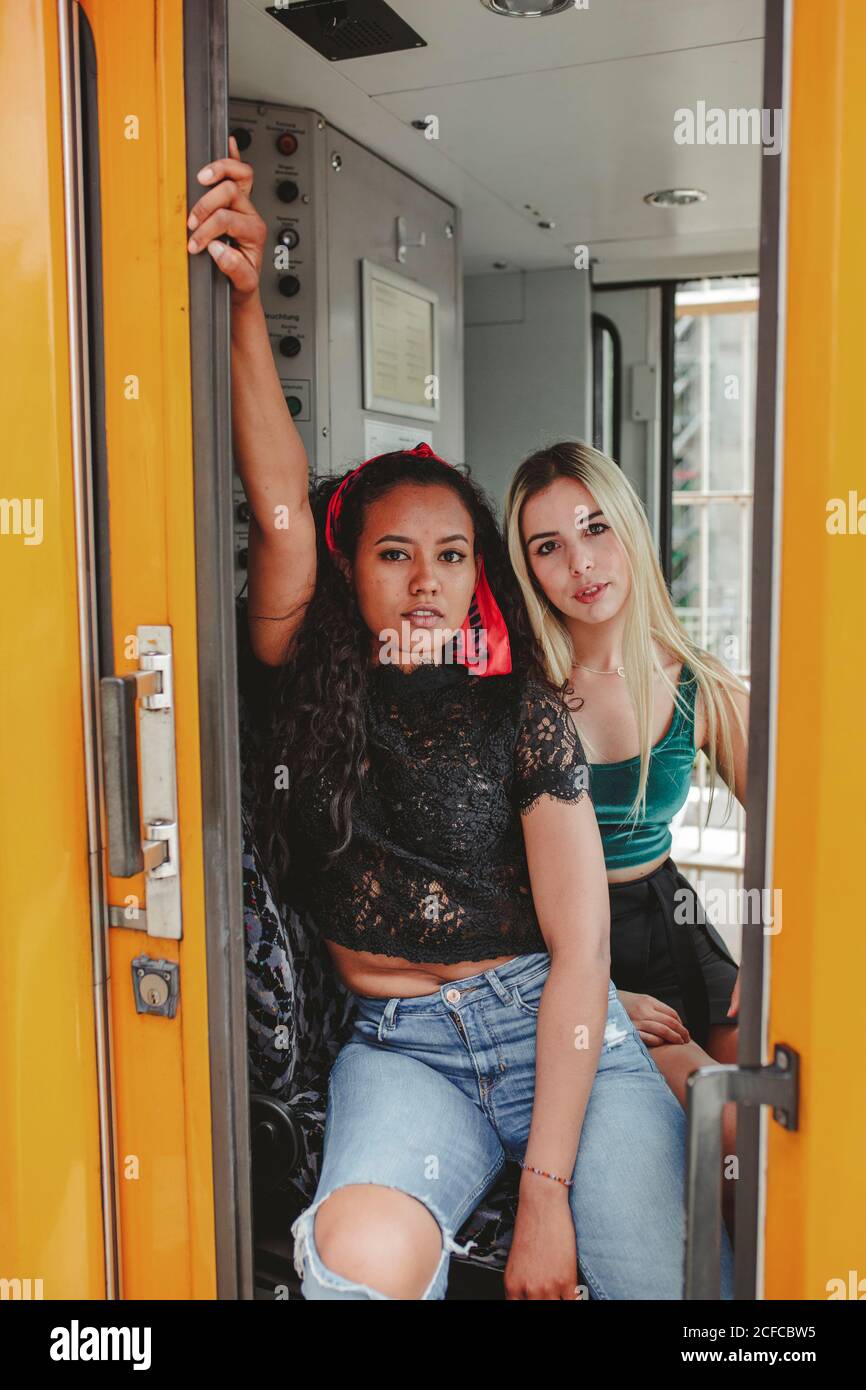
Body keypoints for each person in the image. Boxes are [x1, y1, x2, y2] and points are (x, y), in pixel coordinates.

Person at [187, 144, 733, 1300]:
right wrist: (242, 302)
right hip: (403, 1054)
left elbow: (582, 948)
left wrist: (544, 1198)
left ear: (477, 573)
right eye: (394, 554)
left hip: (557, 1033)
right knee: (354, 1258)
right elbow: (280, 510)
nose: (425, 579)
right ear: (351, 572)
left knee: (664, 1280)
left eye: (450, 554)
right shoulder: (305, 668)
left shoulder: (519, 708)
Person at [505, 439, 750, 1227]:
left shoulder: (698, 682)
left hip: (672, 920)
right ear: (529, 567)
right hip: (558, 944)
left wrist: (779, 947)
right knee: (728, 1125)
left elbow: (805, 826)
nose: (581, 562)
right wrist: (600, 1001)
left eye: (596, 527)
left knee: (788, 1111)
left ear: (633, 530)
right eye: (549, 546)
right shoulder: (516, 699)